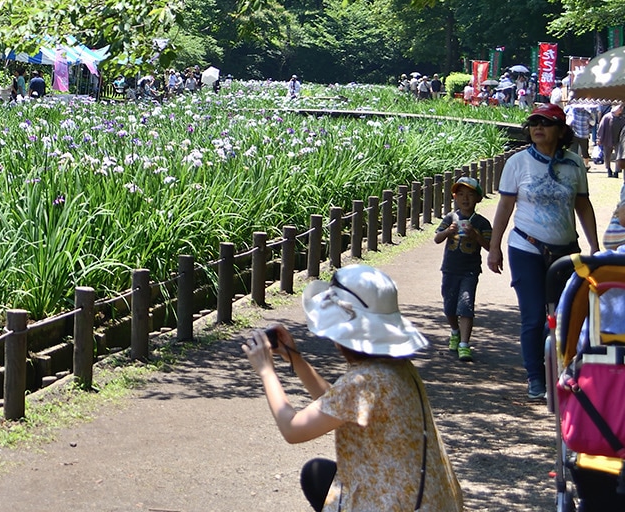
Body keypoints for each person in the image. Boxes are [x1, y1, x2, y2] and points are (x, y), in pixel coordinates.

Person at [241, 264, 462, 512]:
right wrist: (296, 360)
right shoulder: (394, 367)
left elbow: (293, 429)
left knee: (318, 476)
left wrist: (266, 370)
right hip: (429, 501)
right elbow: (337, 404)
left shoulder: (364, 380)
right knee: (317, 475)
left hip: (395, 505)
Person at [488, 103, 602, 399]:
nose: (538, 127)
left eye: (546, 123)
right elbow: (505, 206)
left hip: (566, 249)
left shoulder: (575, 164)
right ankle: (535, 377)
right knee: (534, 316)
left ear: (561, 131)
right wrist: (494, 246)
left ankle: (563, 371)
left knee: (566, 313)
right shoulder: (518, 162)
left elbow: (582, 205)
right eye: (534, 122)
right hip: (526, 247)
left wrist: (594, 245)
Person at [434, 176, 492, 360]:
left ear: (478, 199)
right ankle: (454, 331)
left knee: (466, 304)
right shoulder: (451, 217)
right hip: (450, 269)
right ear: (454, 197)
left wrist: (475, 235)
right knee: (449, 306)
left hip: (470, 270)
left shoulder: (482, 222)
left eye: (470, 195)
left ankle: (464, 344)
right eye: (461, 194)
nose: (465, 199)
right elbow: (437, 238)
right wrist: (447, 232)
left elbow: (490, 245)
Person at [602, 103, 624, 178]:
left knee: (619, 155)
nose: (621, 109)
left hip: (619, 140)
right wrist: (599, 139)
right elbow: (601, 128)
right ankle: (608, 169)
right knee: (607, 155)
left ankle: (617, 171)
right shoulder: (607, 117)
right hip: (608, 139)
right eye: (620, 108)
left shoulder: (622, 118)